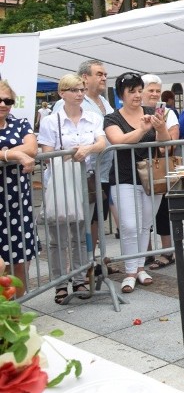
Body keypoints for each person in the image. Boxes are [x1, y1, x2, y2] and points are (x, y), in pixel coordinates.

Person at [37, 74, 107, 303]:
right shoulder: (51, 120)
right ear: (62, 93)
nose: (79, 94)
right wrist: (69, 155)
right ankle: (59, 282)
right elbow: (47, 153)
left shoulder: (92, 117)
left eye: (82, 89)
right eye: (74, 90)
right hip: (58, 181)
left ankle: (78, 277)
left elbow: (101, 143)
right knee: (57, 234)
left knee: (80, 231)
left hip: (83, 179)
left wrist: (86, 149)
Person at [103, 72, 173, 293]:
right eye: (131, 91)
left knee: (145, 224)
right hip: (124, 177)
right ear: (121, 94)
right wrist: (142, 129)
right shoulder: (112, 118)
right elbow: (118, 141)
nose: (136, 95)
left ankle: (140, 267)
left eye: (138, 90)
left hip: (152, 176)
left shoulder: (153, 112)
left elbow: (165, 145)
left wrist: (160, 127)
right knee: (129, 225)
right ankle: (130, 270)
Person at [53, 60, 118, 246]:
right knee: (80, 220)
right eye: (99, 74)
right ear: (84, 77)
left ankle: (93, 261)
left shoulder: (104, 100)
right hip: (79, 174)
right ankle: (76, 265)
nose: (104, 77)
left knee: (97, 218)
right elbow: (59, 136)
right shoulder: (62, 104)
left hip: (103, 172)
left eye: (105, 74)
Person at [0, 80, 37, 295]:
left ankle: (15, 308)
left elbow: (31, 148)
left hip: (17, 203)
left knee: (20, 259)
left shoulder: (20, 123)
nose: (4, 104)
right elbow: (23, 150)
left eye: (8, 100)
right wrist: (12, 153)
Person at [140, 74, 180, 270]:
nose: (155, 94)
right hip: (137, 166)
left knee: (163, 209)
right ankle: (144, 252)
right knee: (142, 211)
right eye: (151, 90)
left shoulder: (167, 112)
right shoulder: (134, 111)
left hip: (160, 167)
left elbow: (171, 142)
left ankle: (167, 251)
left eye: (157, 90)